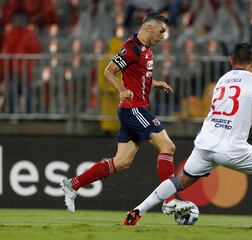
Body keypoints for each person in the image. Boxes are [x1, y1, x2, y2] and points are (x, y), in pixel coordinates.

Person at [123, 43, 252, 230]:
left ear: (231, 61)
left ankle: (137, 211)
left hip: (205, 144)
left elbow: (230, 115)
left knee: (178, 181)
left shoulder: (222, 81)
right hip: (231, 148)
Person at [61, 12, 186, 215]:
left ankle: (73, 184)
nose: (163, 36)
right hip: (133, 108)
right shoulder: (131, 48)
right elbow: (109, 71)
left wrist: (155, 83)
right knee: (168, 147)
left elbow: (138, 75)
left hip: (134, 109)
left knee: (122, 162)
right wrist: (121, 89)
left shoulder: (146, 50)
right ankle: (169, 201)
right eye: (161, 31)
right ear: (148, 28)